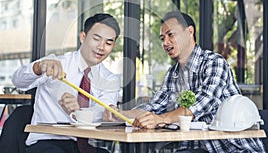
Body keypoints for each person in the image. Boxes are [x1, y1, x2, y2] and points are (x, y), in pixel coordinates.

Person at [103, 11, 265, 152]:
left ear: (189, 32)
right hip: (198, 148)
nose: (165, 42)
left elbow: (202, 103)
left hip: (233, 148)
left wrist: (162, 119)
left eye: (170, 35)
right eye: (162, 38)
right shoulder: (172, 74)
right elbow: (152, 107)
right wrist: (121, 115)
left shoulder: (214, 63)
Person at [12, 13, 121, 153]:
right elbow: (18, 80)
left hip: (86, 146)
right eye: (96, 39)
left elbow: (102, 115)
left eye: (108, 43)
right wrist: (38, 67)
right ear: (83, 37)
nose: (101, 47)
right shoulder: (56, 63)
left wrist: (80, 113)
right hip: (47, 141)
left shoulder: (110, 79)